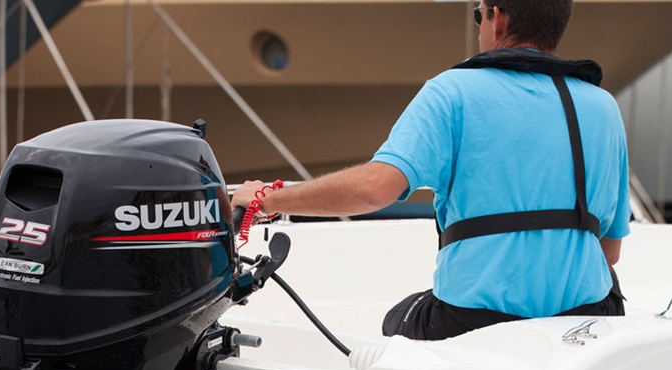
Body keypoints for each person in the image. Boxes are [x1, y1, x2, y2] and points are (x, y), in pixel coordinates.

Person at [231, 0, 631, 340]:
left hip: (473, 321)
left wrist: (268, 199)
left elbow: (374, 188)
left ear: (498, 19)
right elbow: (609, 252)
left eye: (479, 15)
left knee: (395, 321)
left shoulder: (451, 91)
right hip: (584, 318)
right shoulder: (603, 107)